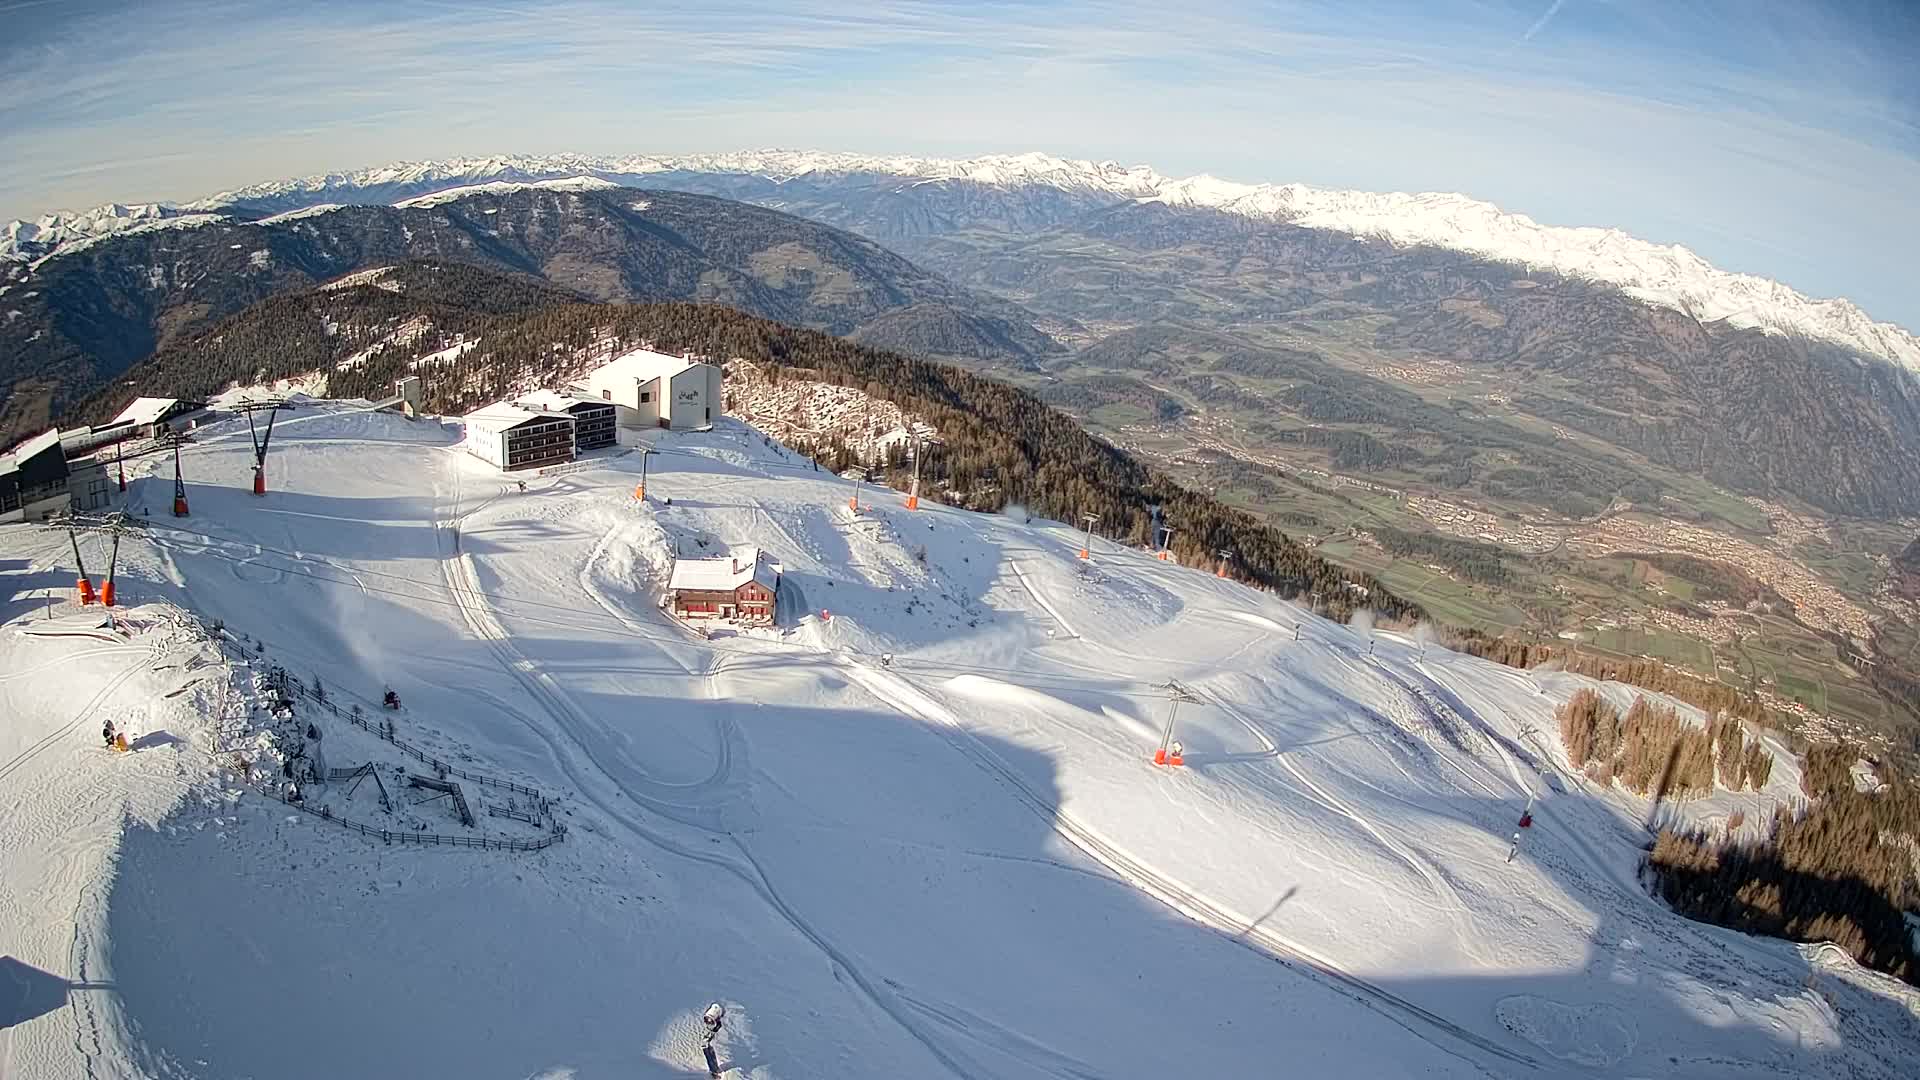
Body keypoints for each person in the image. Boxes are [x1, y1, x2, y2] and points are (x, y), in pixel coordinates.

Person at [701, 1002, 726, 1078]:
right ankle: (714, 1071)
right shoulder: (710, 1026)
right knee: (706, 1048)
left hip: (712, 1042)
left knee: (709, 1049)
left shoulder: (719, 1025)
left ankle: (715, 1071)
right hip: (707, 1042)